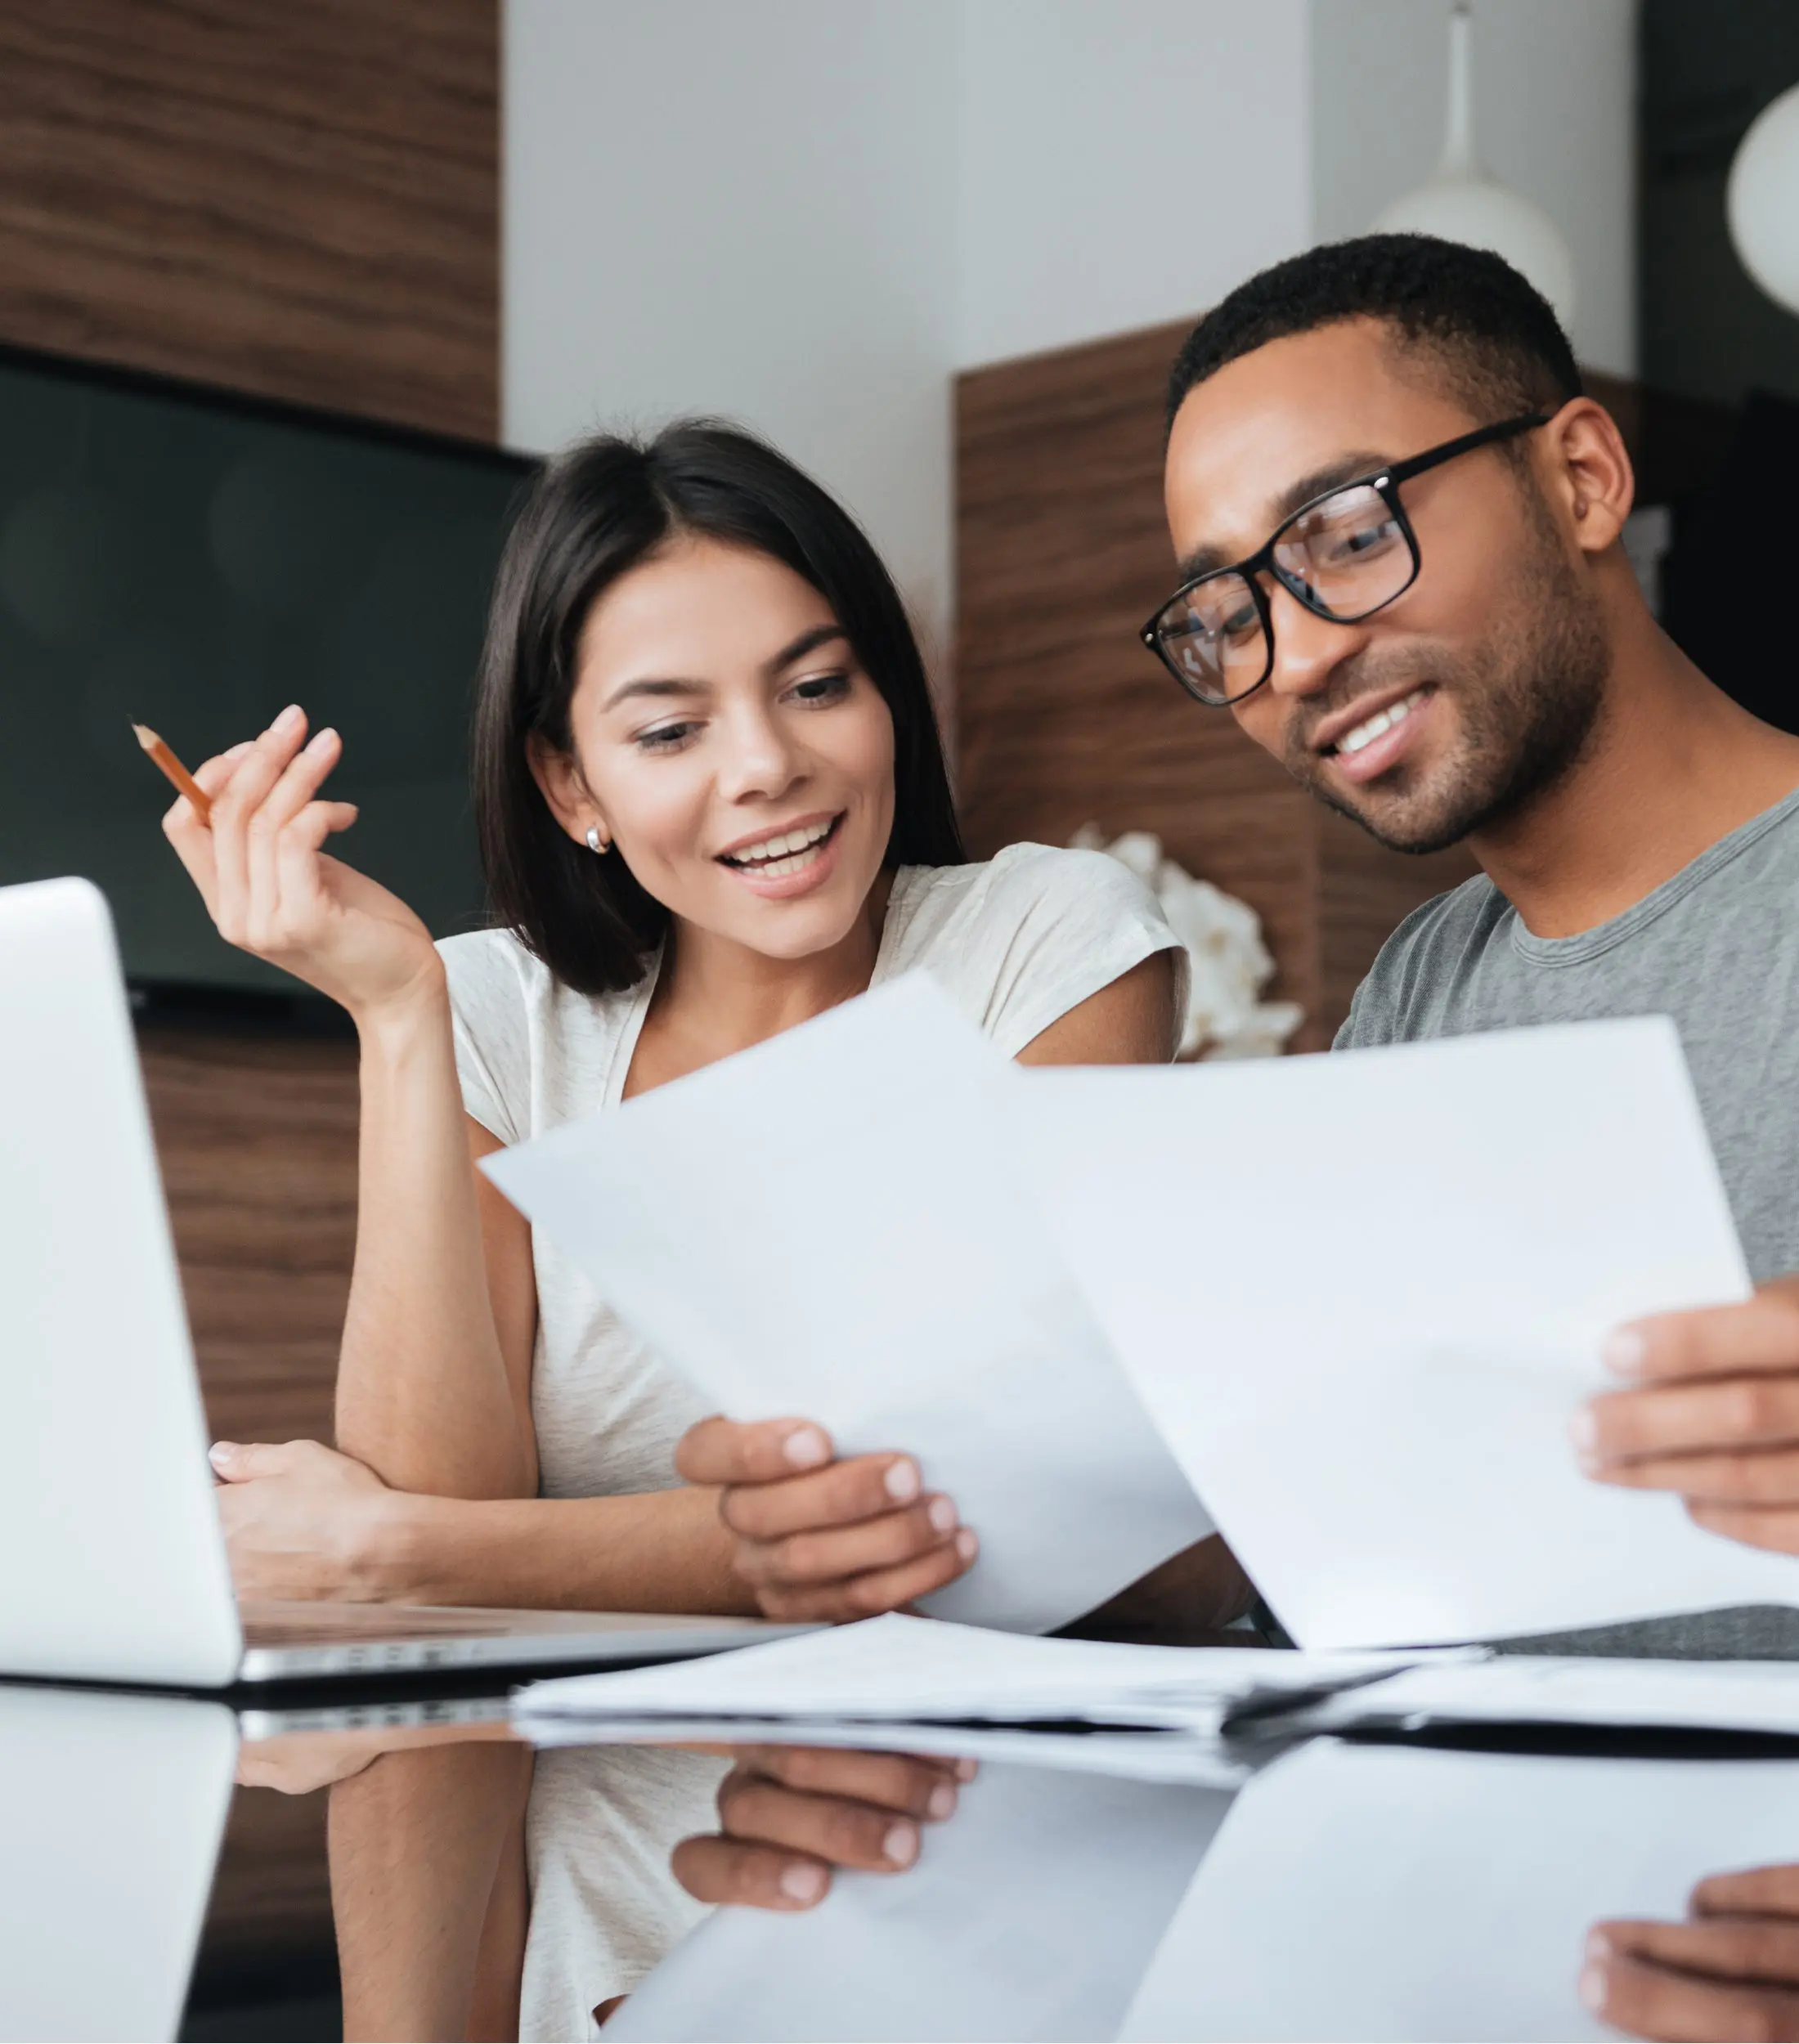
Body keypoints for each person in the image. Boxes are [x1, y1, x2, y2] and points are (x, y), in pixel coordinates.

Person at [160, 418, 1245, 2022]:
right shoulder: (487, 1014)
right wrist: (393, 1015)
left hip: (965, 1916)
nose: (765, 764)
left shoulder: (1046, 945)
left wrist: (397, 1551)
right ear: (569, 784)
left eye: (816, 685)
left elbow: (954, 1523)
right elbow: (437, 1603)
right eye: (668, 728)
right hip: (587, 1948)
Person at [687, 235, 1799, 1654]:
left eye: (1345, 532)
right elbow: (1341, 1543)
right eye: (1227, 614)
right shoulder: (1422, 988)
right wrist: (910, 1526)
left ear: (1580, 477)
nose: (1300, 658)